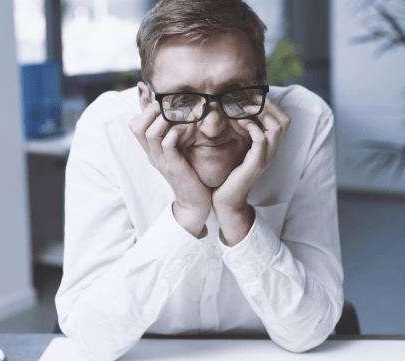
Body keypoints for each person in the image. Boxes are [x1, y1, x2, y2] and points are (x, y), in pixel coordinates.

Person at [55, 0, 343, 359]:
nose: (212, 127)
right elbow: (91, 336)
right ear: (146, 101)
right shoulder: (105, 131)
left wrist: (235, 213)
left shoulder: (306, 121)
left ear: (263, 85)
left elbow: (311, 329)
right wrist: (187, 212)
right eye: (183, 99)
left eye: (236, 94)